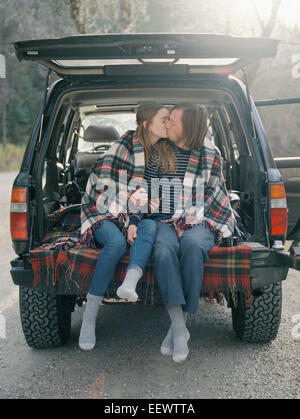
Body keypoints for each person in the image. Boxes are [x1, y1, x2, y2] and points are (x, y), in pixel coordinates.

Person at [148, 103, 236, 363]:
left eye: (173, 121)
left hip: (201, 217)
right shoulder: (159, 151)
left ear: (190, 127)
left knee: (194, 245)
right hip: (163, 218)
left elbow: (214, 194)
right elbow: (150, 190)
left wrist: (190, 217)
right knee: (163, 250)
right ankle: (178, 326)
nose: (168, 125)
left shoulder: (211, 154)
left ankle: (179, 324)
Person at [79, 103, 170, 350]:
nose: (168, 123)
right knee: (115, 243)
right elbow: (102, 187)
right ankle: (90, 315)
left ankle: (129, 285)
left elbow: (155, 192)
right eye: (163, 119)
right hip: (103, 209)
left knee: (149, 226)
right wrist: (131, 206)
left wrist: (140, 212)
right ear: (145, 124)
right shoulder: (123, 146)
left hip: (132, 212)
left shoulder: (161, 150)